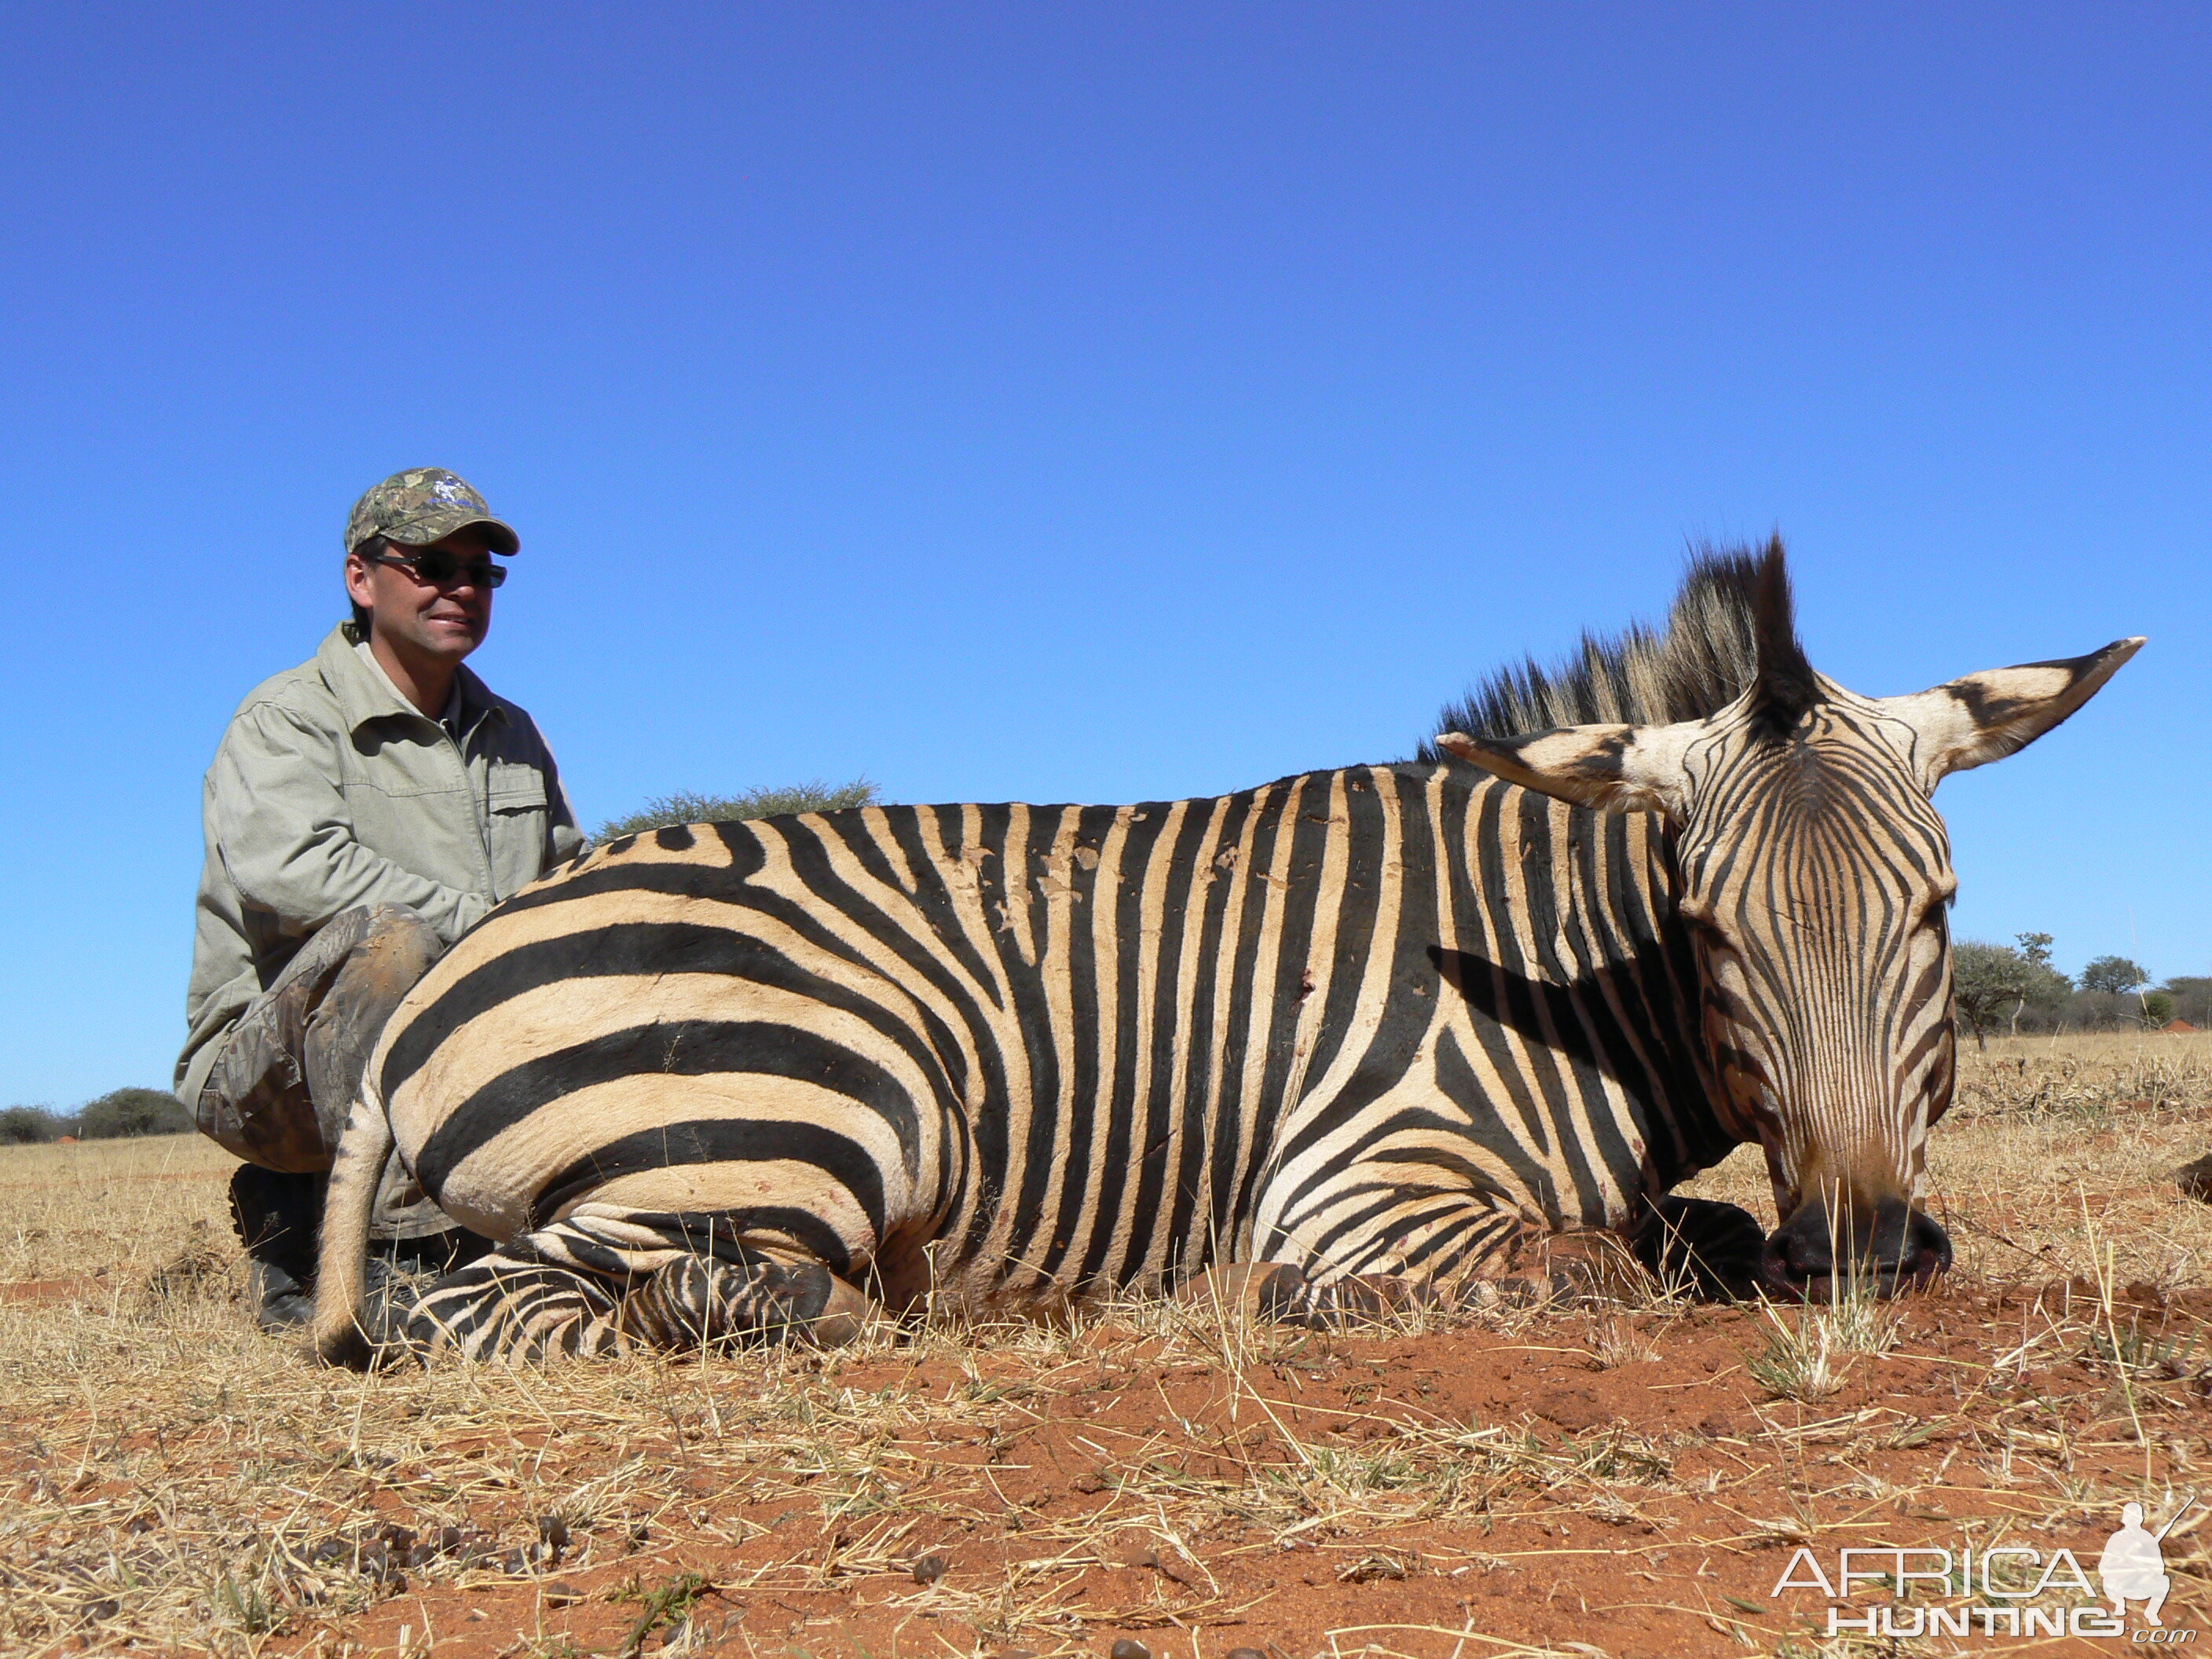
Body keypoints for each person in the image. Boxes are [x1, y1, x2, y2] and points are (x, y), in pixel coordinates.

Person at [176, 468, 584, 1330]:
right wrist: (492, 933)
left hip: (460, 1045)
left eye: (482, 572)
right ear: (361, 579)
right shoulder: (284, 716)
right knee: (389, 940)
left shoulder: (513, 734)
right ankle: (373, 1244)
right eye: (432, 565)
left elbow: (562, 882)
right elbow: (290, 872)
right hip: (269, 1075)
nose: (462, 588)